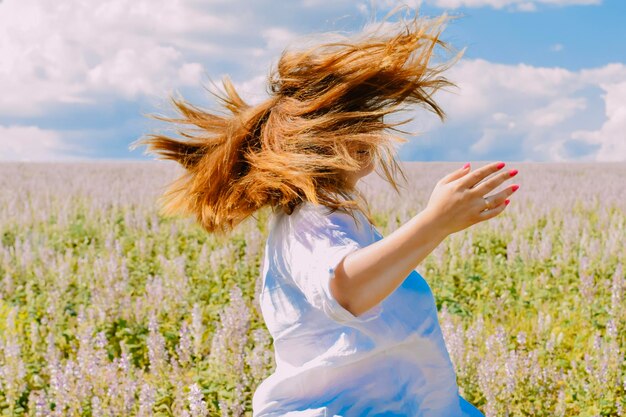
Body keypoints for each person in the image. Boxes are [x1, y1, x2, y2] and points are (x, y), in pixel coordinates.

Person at [132, 6, 519, 417]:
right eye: (368, 120)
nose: (381, 130)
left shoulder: (325, 216)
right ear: (343, 140)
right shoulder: (310, 222)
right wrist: (435, 222)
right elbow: (347, 290)